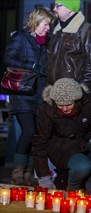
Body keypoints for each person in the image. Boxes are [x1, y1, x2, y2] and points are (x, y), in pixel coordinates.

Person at [32, 78, 91, 195]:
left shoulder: (87, 102)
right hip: (60, 145)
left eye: (69, 104)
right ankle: (72, 191)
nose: (65, 108)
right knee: (82, 166)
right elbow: (39, 142)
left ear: (77, 100)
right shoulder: (47, 108)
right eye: (60, 105)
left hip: (84, 139)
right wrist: (44, 177)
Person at [3, 7, 54, 185]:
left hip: (40, 95)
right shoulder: (20, 37)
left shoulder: (47, 42)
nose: (48, 28)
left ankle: (29, 173)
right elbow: (9, 59)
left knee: (37, 135)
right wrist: (31, 65)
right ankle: (18, 171)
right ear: (36, 21)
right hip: (23, 92)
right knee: (29, 130)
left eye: (49, 25)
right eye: (46, 24)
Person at [47, 0, 91, 90]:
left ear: (70, 8)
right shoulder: (56, 31)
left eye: (58, 6)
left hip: (72, 95)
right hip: (54, 92)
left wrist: (80, 91)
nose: (54, 9)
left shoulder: (87, 31)